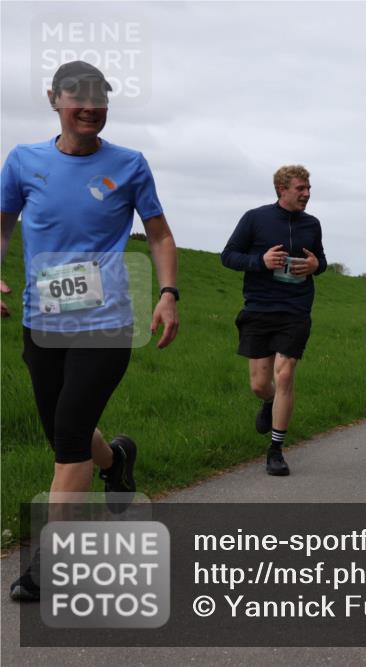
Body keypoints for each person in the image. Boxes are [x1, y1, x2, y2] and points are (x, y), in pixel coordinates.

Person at [2, 61, 180, 601]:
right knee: (63, 430)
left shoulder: (129, 165)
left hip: (106, 325)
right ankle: (117, 459)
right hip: (42, 322)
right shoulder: (23, 161)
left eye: (99, 97)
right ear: (54, 99)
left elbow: (159, 234)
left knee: (69, 439)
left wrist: (169, 294)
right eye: (77, 96)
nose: (89, 106)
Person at [221, 165, 326, 476]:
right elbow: (228, 255)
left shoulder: (312, 224)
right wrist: (260, 261)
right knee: (259, 384)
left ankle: (276, 449)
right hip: (259, 307)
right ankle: (268, 403)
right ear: (282, 189)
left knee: (285, 377)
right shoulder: (255, 218)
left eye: (308, 188)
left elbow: (320, 260)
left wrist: (314, 265)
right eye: (300, 189)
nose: (306, 194)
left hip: (296, 310)